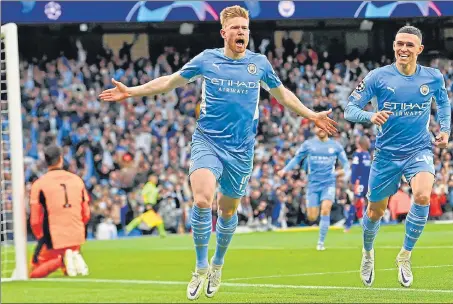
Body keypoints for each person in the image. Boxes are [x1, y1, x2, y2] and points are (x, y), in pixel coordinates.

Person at [99, 5, 337, 300]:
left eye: (245, 29)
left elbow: (282, 94)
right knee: (202, 200)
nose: (242, 33)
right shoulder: (207, 59)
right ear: (224, 32)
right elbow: (169, 81)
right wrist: (132, 91)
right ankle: (200, 267)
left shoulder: (259, 64)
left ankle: (218, 263)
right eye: (236, 28)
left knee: (227, 210)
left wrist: (311, 114)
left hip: (241, 149)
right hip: (208, 141)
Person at [344, 25, 451, 287]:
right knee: (374, 212)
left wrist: (446, 130)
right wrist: (370, 116)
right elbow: (349, 108)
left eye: (409, 45)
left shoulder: (433, 77)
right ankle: (368, 253)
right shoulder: (377, 77)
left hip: (419, 149)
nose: (403, 48)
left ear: (419, 49)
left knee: (424, 194)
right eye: (399, 43)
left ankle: (405, 255)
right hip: (386, 154)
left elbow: (444, 102)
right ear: (394, 46)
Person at [278, 125, 350, 250]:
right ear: (314, 130)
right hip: (313, 184)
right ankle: (318, 230)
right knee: (312, 216)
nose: (320, 129)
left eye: (322, 127)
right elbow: (296, 159)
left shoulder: (336, 146)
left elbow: (346, 165)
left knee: (325, 210)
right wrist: (285, 170)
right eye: (317, 127)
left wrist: (341, 173)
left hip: (328, 183)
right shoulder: (308, 144)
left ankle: (321, 243)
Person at [29, 145, 91, 278]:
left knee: (33, 273)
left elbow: (35, 219)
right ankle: (70, 258)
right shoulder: (77, 180)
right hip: (76, 236)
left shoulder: (39, 184)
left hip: (53, 237)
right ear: (61, 159)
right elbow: (86, 213)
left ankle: (61, 260)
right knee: (68, 271)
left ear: (46, 162)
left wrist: (41, 237)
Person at [344, 135, 371, 232]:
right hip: (359, 183)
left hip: (367, 182)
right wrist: (352, 182)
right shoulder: (357, 154)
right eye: (367, 141)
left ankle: (365, 223)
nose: (369, 143)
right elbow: (354, 169)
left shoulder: (367, 153)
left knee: (368, 202)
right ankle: (348, 225)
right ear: (363, 143)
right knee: (355, 202)